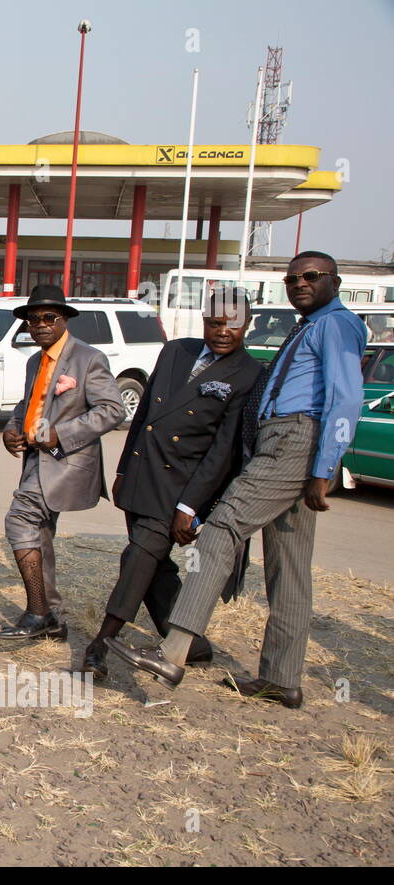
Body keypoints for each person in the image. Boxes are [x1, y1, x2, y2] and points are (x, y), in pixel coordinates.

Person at [110, 252, 367, 708]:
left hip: (294, 439)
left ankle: (172, 653)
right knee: (289, 571)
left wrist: (324, 467)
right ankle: (281, 678)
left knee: (221, 530)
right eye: (292, 278)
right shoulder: (309, 325)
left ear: (336, 281)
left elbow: (346, 399)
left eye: (311, 277)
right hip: (283, 441)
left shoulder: (337, 324)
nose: (299, 284)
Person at [87, 289, 264, 679]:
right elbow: (146, 412)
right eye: (214, 323)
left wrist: (190, 507)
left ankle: (100, 643)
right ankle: (192, 644)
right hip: (140, 475)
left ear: (246, 324)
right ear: (203, 321)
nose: (222, 332)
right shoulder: (176, 350)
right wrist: (121, 471)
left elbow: (223, 451)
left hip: (179, 487)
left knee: (139, 556)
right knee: (154, 564)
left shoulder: (250, 374)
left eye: (232, 325)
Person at [0, 284, 124, 640]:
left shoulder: (88, 358)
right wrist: (11, 430)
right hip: (35, 461)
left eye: (48, 317)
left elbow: (113, 410)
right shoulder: (34, 362)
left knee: (19, 519)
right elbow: (27, 407)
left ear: (64, 319)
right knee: (39, 534)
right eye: (32, 319)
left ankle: (37, 612)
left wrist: (61, 434)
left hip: (67, 461)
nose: (39, 324)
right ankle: (52, 615)